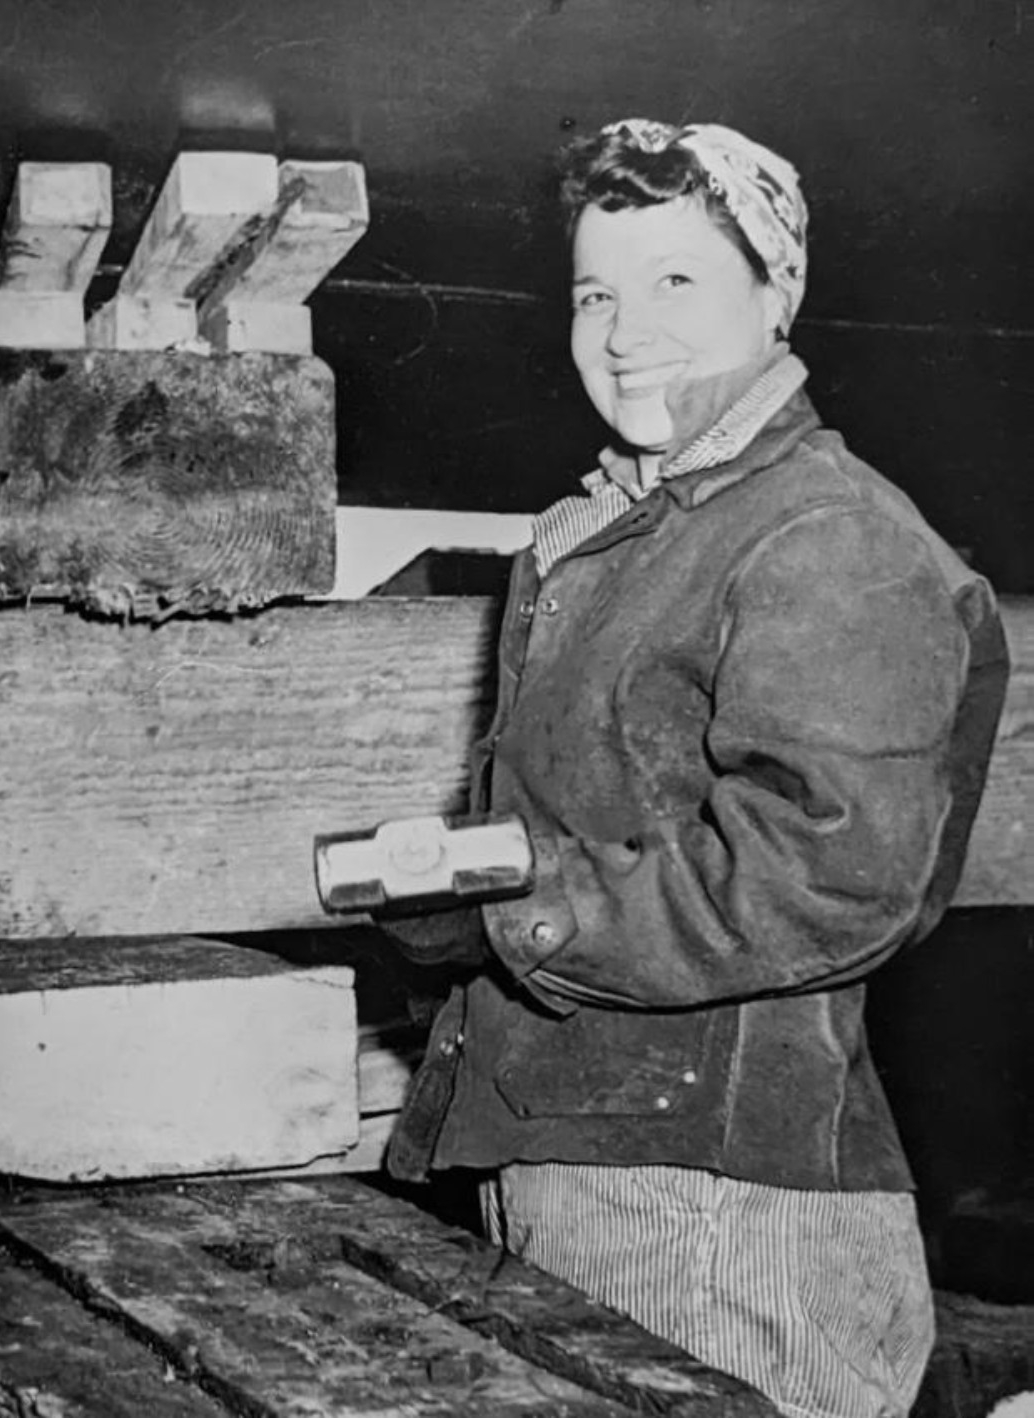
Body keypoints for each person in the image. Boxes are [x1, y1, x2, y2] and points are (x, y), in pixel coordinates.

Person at [372, 119, 1009, 1417]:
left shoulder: (826, 535)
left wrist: (528, 896)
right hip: (590, 1164)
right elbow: (592, 831)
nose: (623, 330)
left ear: (777, 296)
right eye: (596, 291)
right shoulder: (620, 534)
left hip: (720, 1218)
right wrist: (458, 892)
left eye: (676, 283)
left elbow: (830, 871)